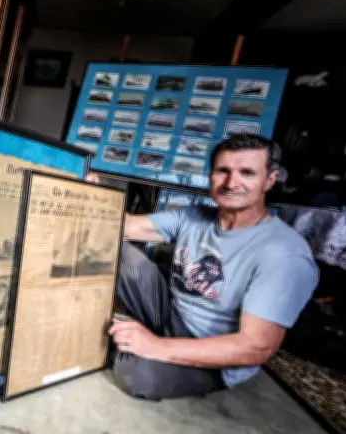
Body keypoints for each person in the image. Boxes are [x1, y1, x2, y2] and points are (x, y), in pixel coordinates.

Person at [107, 134, 319, 400]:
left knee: (136, 375)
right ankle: (146, 341)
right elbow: (122, 225)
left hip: (216, 354)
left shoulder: (284, 255)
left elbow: (256, 347)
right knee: (114, 246)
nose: (232, 183)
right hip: (172, 315)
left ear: (270, 180)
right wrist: (89, 194)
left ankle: (153, 349)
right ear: (211, 175)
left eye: (247, 173)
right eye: (223, 171)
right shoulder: (194, 216)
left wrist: (157, 347)